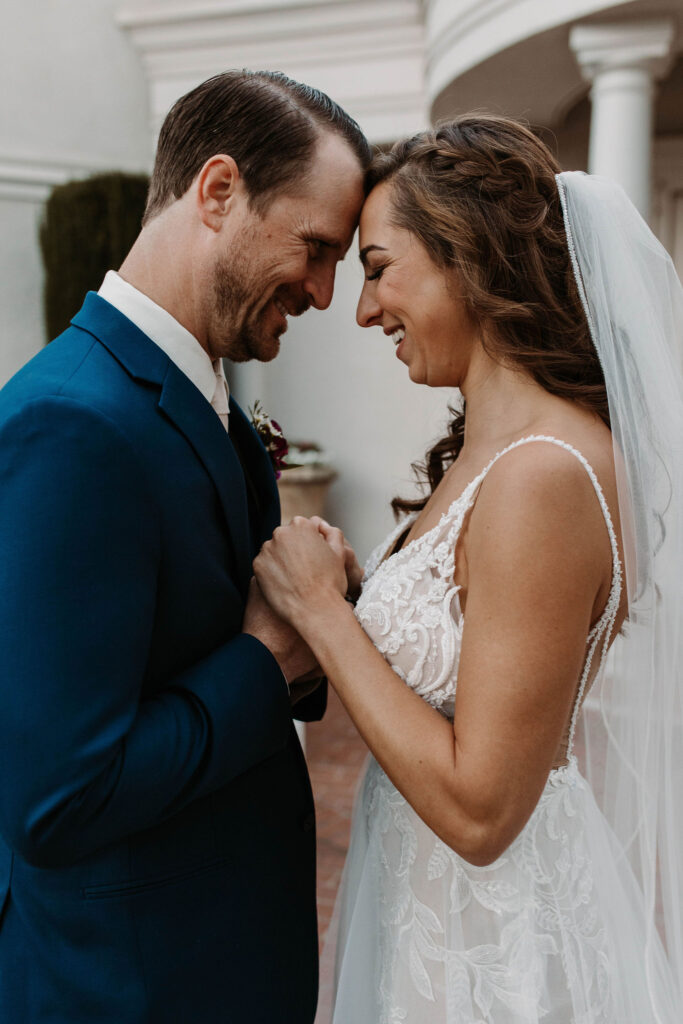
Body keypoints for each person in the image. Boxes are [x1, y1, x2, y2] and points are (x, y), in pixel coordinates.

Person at [253, 116, 683, 1022]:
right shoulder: (488, 452)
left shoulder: (542, 475)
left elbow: (484, 812)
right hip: (426, 908)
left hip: (489, 941)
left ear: (469, 258)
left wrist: (323, 614)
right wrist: (362, 594)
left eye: (377, 268)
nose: (363, 309)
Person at [0, 70, 368, 1023]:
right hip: (128, 985)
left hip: (214, 959)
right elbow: (57, 799)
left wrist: (304, 606)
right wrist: (269, 654)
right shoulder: (69, 423)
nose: (326, 293)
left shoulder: (200, 395)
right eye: (317, 248)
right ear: (217, 193)